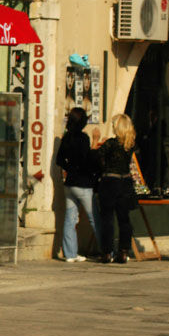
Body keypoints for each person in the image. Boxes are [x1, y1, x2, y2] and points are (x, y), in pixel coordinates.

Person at [56, 107, 101, 262]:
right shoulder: (83, 138)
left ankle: (70, 254)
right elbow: (88, 160)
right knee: (94, 218)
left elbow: (59, 160)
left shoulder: (66, 137)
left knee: (70, 219)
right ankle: (106, 250)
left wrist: (71, 169)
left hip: (70, 184)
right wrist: (95, 142)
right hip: (84, 184)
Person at [94, 114, 138, 264]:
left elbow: (97, 157)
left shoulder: (111, 143)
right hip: (125, 181)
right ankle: (123, 251)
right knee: (124, 219)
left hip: (110, 180)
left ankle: (107, 252)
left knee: (107, 218)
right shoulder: (130, 144)